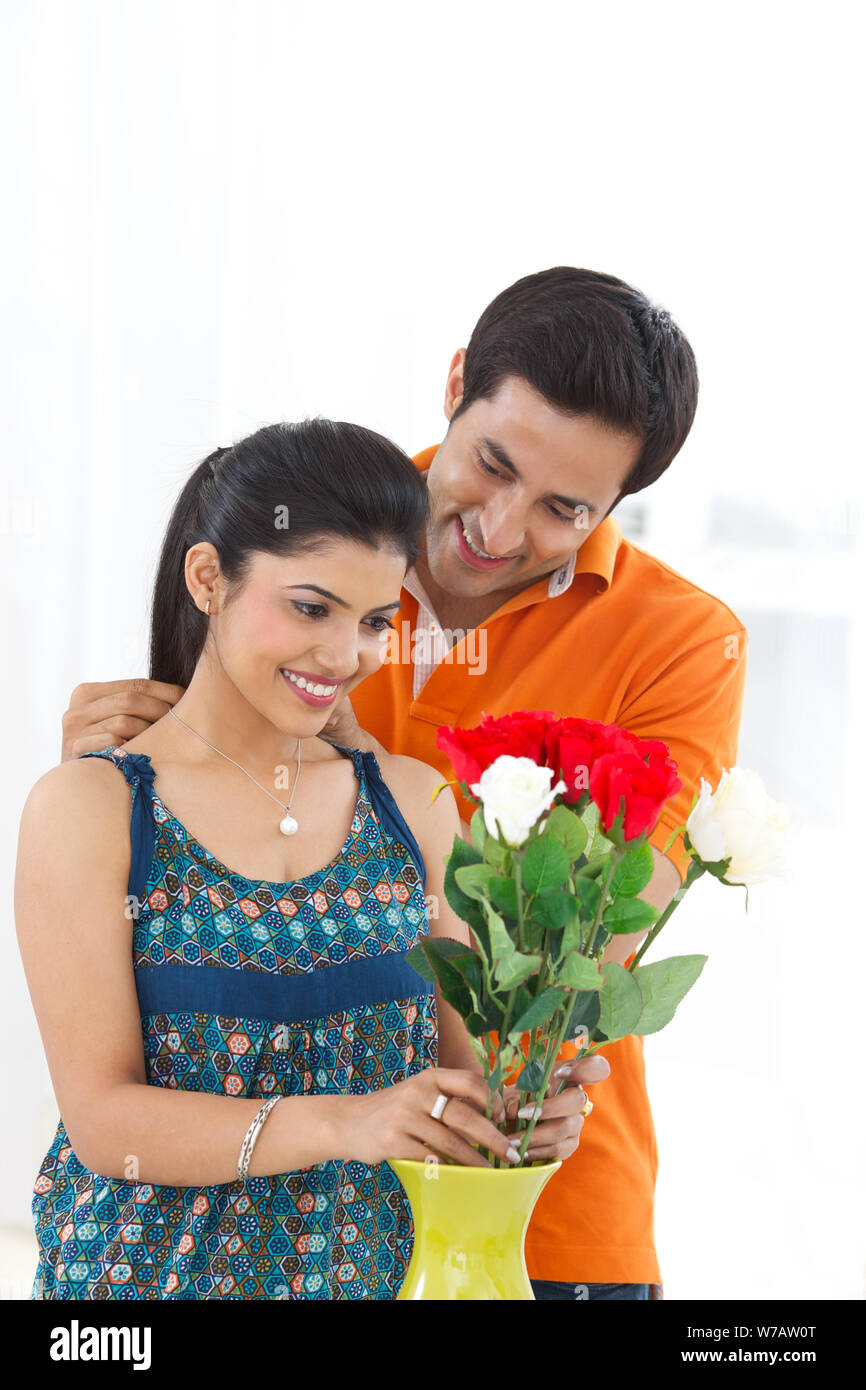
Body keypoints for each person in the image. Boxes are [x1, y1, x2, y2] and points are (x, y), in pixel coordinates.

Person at [58, 267, 748, 1300]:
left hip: (539, 1219)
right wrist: (129, 760)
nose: (500, 530)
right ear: (457, 380)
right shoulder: (309, 530)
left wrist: (388, 791)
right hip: (243, 1221)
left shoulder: (680, 641)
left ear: (618, 504)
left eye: (564, 508)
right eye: (490, 464)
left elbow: (594, 950)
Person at [16, 417, 601, 1301]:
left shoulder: (413, 804)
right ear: (208, 578)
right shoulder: (92, 808)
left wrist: (536, 1102)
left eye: (374, 620)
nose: (343, 655)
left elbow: (472, 1078)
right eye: (309, 606)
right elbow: (104, 1119)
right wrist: (348, 1122)